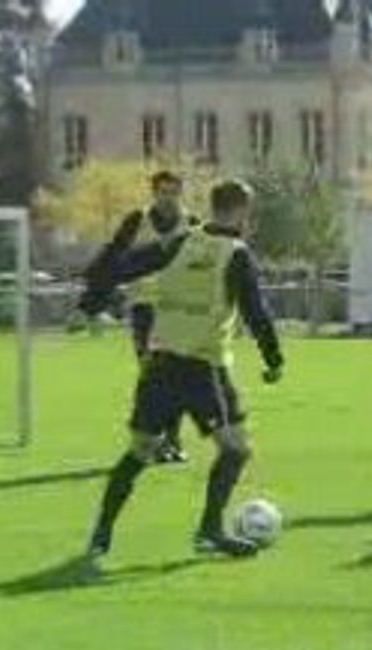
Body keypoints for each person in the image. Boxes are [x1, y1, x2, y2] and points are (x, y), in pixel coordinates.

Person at [81, 179, 284, 559]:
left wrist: (91, 298)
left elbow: (126, 266)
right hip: (203, 365)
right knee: (236, 450)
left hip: (159, 363)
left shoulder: (181, 241)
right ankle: (209, 530)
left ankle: (100, 535)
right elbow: (257, 313)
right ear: (241, 211)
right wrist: (274, 361)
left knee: (139, 452)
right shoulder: (236, 253)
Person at [78, 170, 199, 463]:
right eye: (163, 192)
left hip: (180, 309)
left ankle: (172, 440)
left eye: (173, 192)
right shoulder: (137, 222)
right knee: (152, 374)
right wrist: (94, 299)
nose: (168, 198)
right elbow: (113, 258)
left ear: (180, 194)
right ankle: (152, 439)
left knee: (177, 376)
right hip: (145, 309)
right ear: (154, 193)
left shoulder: (193, 226)